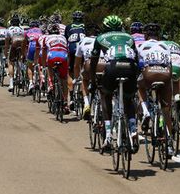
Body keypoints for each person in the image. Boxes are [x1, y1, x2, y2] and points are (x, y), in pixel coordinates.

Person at [90, 15, 139, 151]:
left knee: (105, 95)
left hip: (112, 67)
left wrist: (93, 80)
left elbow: (94, 62)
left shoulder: (100, 38)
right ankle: (133, 129)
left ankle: (107, 134)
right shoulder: (129, 37)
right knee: (128, 99)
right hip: (130, 67)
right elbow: (137, 58)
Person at [136, 23, 174, 155]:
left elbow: (138, 64)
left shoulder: (141, 46)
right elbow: (171, 65)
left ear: (145, 35)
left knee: (139, 86)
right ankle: (169, 144)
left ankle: (145, 111)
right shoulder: (165, 46)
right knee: (166, 110)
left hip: (149, 73)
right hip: (165, 74)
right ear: (158, 35)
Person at [74, 24, 104, 119]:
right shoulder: (103, 40)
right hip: (104, 63)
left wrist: (76, 76)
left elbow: (77, 63)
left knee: (84, 79)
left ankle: (86, 104)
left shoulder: (82, 41)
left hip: (89, 63)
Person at [39, 23, 69, 114]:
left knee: (50, 68)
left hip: (52, 55)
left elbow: (44, 52)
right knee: (64, 79)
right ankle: (65, 102)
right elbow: (67, 50)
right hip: (64, 56)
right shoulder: (63, 37)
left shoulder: (46, 38)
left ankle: (51, 85)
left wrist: (44, 65)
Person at [65, 11, 86, 110]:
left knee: (70, 72)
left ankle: (72, 96)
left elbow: (66, 41)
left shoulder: (68, 26)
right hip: (83, 50)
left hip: (73, 50)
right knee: (83, 72)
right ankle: (83, 93)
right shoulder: (84, 26)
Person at [5, 14, 25, 92]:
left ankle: (11, 84)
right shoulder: (22, 29)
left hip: (13, 44)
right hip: (21, 44)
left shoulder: (9, 29)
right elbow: (24, 39)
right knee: (20, 60)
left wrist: (6, 53)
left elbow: (7, 43)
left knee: (11, 63)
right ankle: (21, 78)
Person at [24, 20, 43, 93]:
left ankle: (31, 83)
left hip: (31, 46)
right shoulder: (41, 31)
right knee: (39, 64)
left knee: (29, 65)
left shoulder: (27, 31)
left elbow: (25, 44)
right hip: (39, 46)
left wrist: (24, 54)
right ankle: (42, 80)